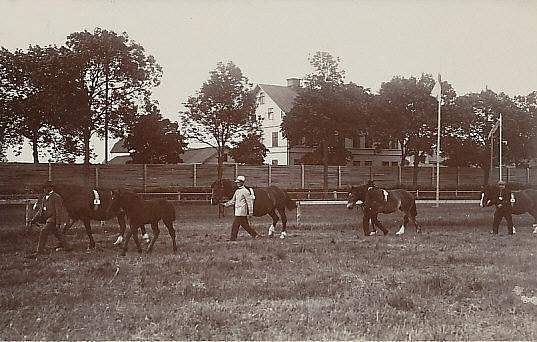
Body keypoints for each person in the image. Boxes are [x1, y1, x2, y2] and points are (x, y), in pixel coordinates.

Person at [33, 181, 71, 254]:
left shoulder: (56, 197)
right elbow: (41, 211)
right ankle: (68, 247)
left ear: (50, 188)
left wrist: (58, 223)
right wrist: (34, 219)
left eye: (45, 188)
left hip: (53, 219)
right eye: (43, 189)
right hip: (48, 219)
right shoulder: (44, 198)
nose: (44, 190)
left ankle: (39, 251)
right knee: (58, 234)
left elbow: (58, 211)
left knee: (43, 231)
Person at [222, 175, 260, 241]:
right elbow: (233, 201)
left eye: (239, 182)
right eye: (237, 182)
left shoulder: (245, 191)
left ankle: (233, 239)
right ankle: (255, 235)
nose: (237, 184)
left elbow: (249, 202)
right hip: (237, 211)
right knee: (245, 225)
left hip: (242, 212)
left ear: (242, 182)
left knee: (235, 225)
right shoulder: (237, 191)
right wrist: (225, 204)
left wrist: (251, 212)